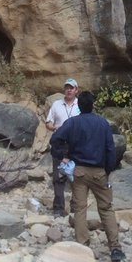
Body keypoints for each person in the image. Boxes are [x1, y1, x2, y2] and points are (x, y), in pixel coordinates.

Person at [50, 90, 124, 262]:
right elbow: (110, 149)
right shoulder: (102, 123)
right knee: (106, 208)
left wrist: (61, 156)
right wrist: (108, 170)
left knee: (80, 209)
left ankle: (83, 247)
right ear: (92, 105)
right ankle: (115, 248)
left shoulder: (72, 122)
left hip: (79, 171)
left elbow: (55, 139)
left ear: (79, 106)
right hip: (99, 172)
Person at [45, 76, 80, 216]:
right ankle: (58, 209)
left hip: (76, 144)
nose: (69, 90)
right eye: (67, 87)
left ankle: (75, 208)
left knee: (77, 176)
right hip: (59, 144)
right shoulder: (56, 104)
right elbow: (48, 123)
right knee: (58, 176)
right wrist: (55, 128)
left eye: (71, 88)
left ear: (76, 90)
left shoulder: (80, 105)